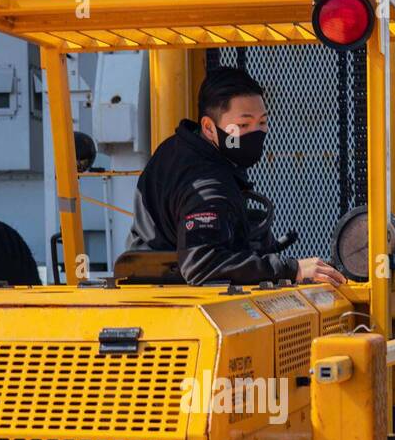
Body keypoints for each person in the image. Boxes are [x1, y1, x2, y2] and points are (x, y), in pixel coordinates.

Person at [127, 69, 346, 288]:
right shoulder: (207, 186)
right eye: (243, 125)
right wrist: (292, 269)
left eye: (262, 123)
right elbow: (202, 264)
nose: (256, 133)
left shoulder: (179, 147)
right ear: (209, 128)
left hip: (144, 284)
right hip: (176, 302)